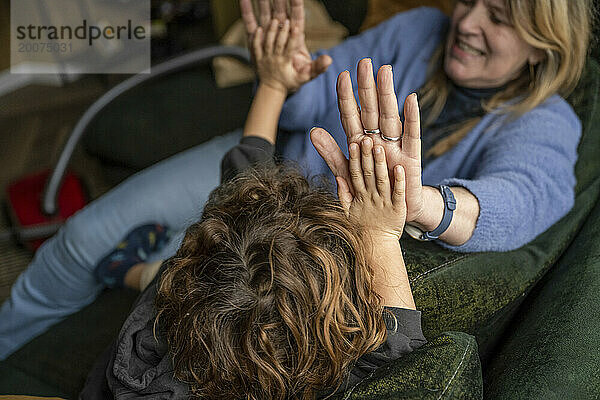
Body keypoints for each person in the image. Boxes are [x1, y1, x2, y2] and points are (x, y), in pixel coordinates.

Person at [0, 0, 592, 359]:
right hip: (268, 168)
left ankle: (148, 264)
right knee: (80, 240)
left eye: (498, 17)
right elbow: (309, 102)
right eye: (470, 1)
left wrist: (421, 203)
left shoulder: (545, 125)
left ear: (543, 46)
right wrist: (283, 74)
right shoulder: (419, 30)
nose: (465, 22)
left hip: (307, 243)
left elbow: (522, 201)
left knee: (197, 290)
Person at [81, 22, 425, 398]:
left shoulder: (169, 313)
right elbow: (401, 364)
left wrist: (273, 85)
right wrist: (379, 235)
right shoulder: (314, 383)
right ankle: (127, 267)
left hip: (143, 332)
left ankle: (122, 267)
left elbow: (245, 170)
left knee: (162, 276)